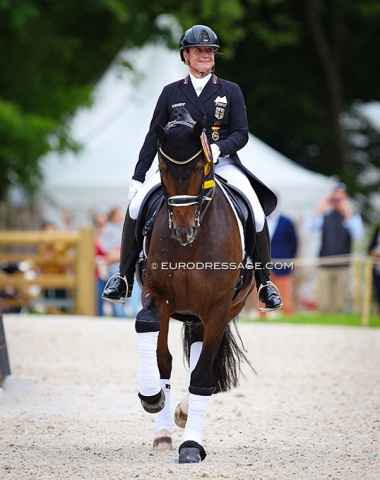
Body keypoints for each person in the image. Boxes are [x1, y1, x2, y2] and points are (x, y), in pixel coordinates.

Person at [102, 24, 282, 311]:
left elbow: (241, 133)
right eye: (199, 50)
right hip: (177, 168)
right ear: (185, 55)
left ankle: (264, 282)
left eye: (210, 51)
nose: (206, 55)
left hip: (221, 164)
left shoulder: (230, 91)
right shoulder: (171, 92)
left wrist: (218, 148)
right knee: (136, 206)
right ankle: (123, 277)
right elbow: (153, 136)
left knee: (257, 214)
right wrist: (138, 177)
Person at [304, 182, 364, 313]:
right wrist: (319, 210)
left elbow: (358, 236)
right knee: (324, 299)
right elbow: (308, 230)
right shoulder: (324, 217)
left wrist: (347, 213)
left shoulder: (352, 218)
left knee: (340, 300)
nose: (337, 202)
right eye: (335, 198)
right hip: (324, 263)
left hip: (343, 264)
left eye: (340, 198)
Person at [267, 204, 298, 316]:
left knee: (285, 294)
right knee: (262, 293)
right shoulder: (259, 221)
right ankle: (262, 317)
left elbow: (294, 243)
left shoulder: (286, 221)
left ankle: (287, 316)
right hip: (263, 265)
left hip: (283, 264)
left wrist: (288, 259)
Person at [368, 225, 380, 315]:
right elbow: (371, 245)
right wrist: (372, 252)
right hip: (377, 267)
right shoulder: (378, 229)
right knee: (378, 291)